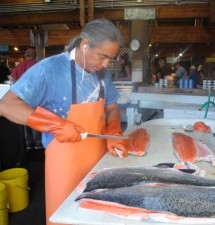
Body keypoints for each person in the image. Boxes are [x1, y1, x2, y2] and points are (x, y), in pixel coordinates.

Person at [0, 18, 128, 225]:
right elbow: (6, 105)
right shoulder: (49, 69)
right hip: (64, 166)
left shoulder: (103, 75)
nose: (106, 65)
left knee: (95, 218)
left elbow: (112, 107)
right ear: (85, 45)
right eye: (103, 57)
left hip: (99, 164)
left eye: (110, 60)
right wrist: (56, 125)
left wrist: (113, 130)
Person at [9, 48, 42, 150]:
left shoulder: (20, 65)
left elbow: (12, 78)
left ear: (25, 55)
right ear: (35, 55)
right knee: (35, 118)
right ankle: (38, 143)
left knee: (25, 118)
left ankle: (28, 143)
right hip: (36, 96)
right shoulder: (39, 65)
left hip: (22, 97)